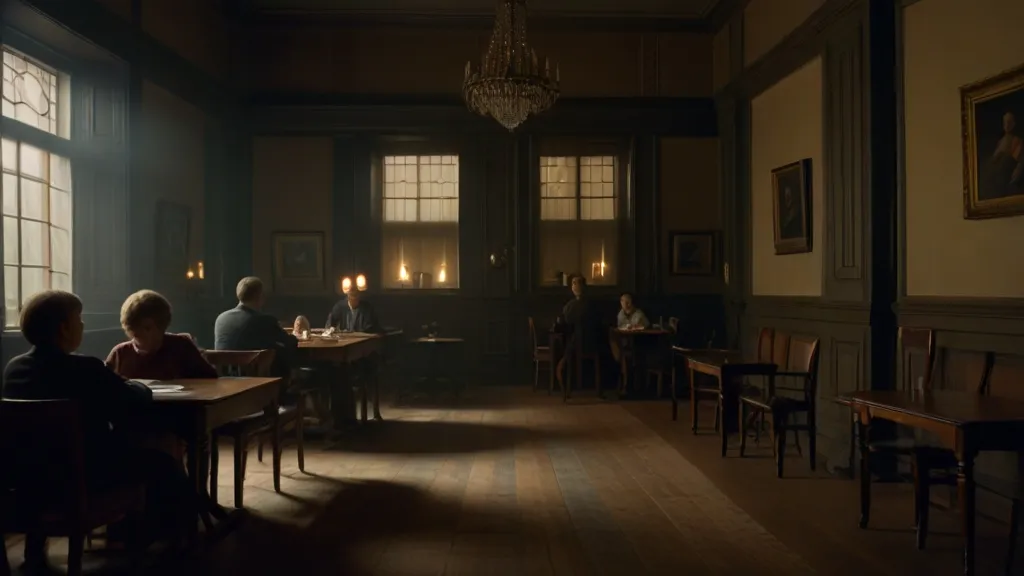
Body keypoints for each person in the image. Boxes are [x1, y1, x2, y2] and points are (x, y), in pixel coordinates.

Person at [2, 291, 194, 568]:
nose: (82, 326)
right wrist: (135, 385)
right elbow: (132, 400)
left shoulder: (13, 369)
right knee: (165, 464)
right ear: (63, 328)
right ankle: (172, 547)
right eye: (78, 320)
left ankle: (35, 548)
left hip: (28, 481)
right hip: (89, 476)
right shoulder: (84, 369)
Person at [106, 289, 217, 380]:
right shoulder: (120, 354)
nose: (140, 334)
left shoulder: (181, 347)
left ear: (162, 326)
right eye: (134, 331)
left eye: (146, 328)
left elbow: (210, 379)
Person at [214, 277, 298, 375]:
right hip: (257, 381)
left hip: (226, 381)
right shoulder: (264, 320)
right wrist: (295, 335)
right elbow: (289, 342)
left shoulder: (221, 318)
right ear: (260, 296)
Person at [556, 274, 606, 387]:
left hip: (586, 342)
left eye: (578, 283)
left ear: (584, 286)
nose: (576, 286)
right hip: (586, 342)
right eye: (574, 284)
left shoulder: (588, 304)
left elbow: (566, 321)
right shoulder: (571, 305)